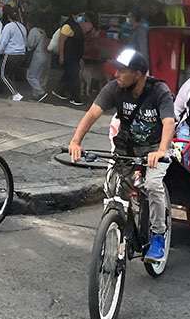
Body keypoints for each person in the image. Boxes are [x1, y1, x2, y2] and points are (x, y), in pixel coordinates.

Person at [67, 48, 175, 263]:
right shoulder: (114, 89)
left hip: (154, 149)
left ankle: (157, 236)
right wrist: (76, 141)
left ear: (138, 74)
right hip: (125, 148)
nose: (116, 75)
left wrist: (161, 150)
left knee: (153, 186)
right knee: (112, 188)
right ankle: (117, 226)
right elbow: (92, 113)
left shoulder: (159, 90)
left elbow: (169, 122)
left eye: (122, 71)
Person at [53, 8, 87, 105]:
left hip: (75, 56)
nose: (81, 17)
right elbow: (61, 42)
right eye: (79, 15)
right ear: (73, 15)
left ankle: (59, 91)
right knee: (74, 76)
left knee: (68, 74)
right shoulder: (67, 26)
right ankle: (74, 97)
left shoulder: (76, 25)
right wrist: (61, 56)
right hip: (69, 55)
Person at [0, 6, 27, 101]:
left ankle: (15, 93)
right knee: (9, 75)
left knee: (2, 75)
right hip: (21, 54)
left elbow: (3, 41)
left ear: (8, 17)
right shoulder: (22, 27)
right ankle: (12, 94)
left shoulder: (9, 27)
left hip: (11, 54)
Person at [24, 13, 50, 102]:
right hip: (43, 55)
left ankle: (41, 92)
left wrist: (25, 41)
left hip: (37, 56)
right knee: (36, 76)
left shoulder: (33, 31)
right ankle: (36, 96)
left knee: (30, 76)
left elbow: (30, 45)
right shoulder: (41, 31)